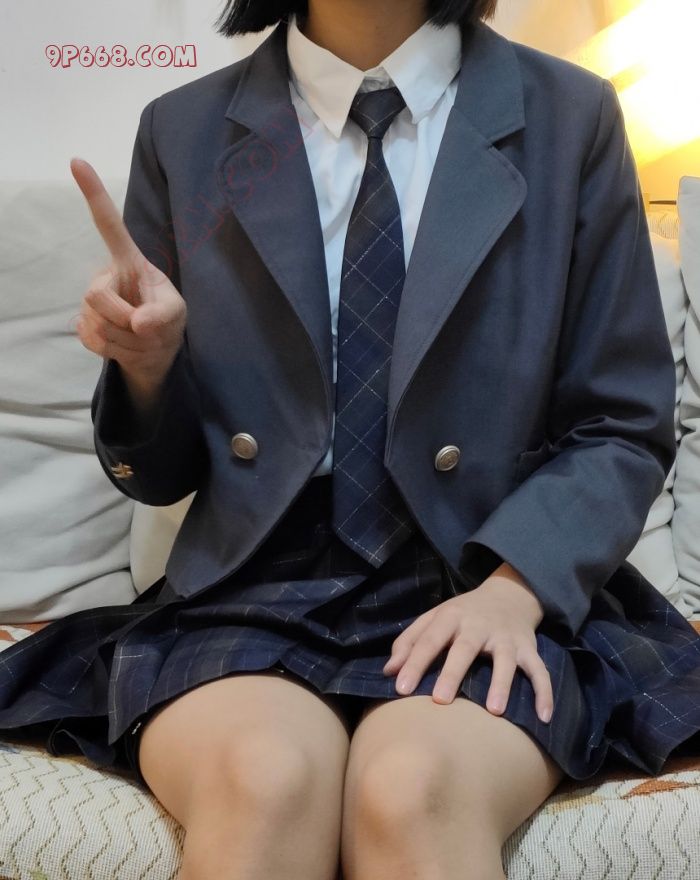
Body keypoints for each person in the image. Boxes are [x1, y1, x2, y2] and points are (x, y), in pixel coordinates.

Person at [2, 0, 700, 878]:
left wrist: (517, 588)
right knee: (265, 780)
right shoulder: (183, 130)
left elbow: (621, 422)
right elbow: (160, 474)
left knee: (411, 789)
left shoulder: (571, 115)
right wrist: (149, 370)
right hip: (255, 583)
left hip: (482, 568)